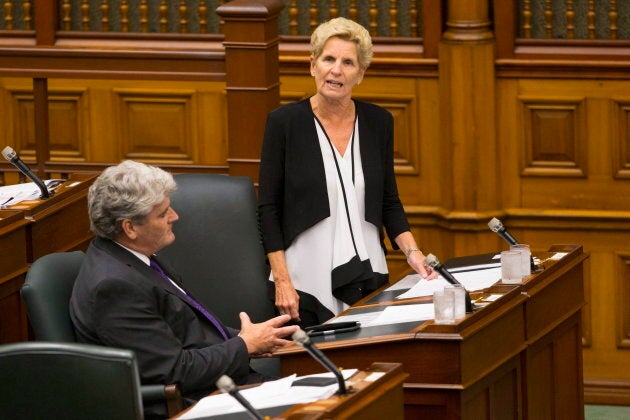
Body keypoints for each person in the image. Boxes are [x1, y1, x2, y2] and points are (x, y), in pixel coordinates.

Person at [69, 160, 298, 419]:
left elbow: (188, 332)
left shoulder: (134, 257)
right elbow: (173, 370)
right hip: (190, 402)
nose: (175, 217)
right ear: (130, 227)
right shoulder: (114, 287)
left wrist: (254, 337)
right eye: (163, 213)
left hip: (215, 383)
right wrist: (244, 345)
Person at [258, 17, 437, 329]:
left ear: (361, 73)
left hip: (368, 274)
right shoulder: (284, 123)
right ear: (313, 65)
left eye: (348, 62)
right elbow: (268, 208)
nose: (336, 70)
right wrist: (282, 281)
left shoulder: (378, 122)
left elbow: (388, 201)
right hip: (302, 282)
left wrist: (413, 253)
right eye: (328, 59)